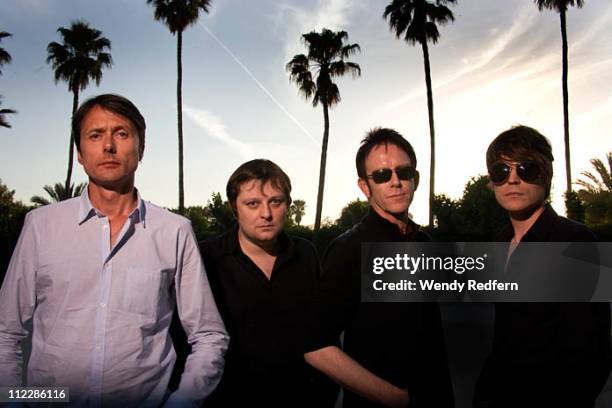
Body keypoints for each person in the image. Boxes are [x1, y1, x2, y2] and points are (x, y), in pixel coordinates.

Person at [0, 94, 228, 407]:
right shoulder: (41, 225)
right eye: (95, 135)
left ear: (141, 148)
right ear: (80, 152)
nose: (108, 146)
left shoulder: (175, 231)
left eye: (121, 134)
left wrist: (181, 402)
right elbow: (6, 331)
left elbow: (208, 335)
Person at [306, 128, 455, 407]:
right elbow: (316, 347)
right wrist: (396, 398)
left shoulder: (424, 241)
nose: (395, 182)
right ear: (365, 186)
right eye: (383, 175)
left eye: (404, 172)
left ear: (416, 179)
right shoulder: (348, 249)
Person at [473, 125, 612, 408]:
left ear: (545, 175)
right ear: (492, 182)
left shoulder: (576, 241)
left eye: (526, 169)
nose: (512, 179)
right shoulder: (499, 244)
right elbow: (506, 337)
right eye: (501, 171)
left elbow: (591, 356)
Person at [201, 159, 336, 407]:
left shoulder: (305, 253)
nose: (266, 213)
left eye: (275, 201)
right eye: (253, 203)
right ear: (235, 208)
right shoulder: (206, 258)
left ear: (287, 205)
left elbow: (321, 333)